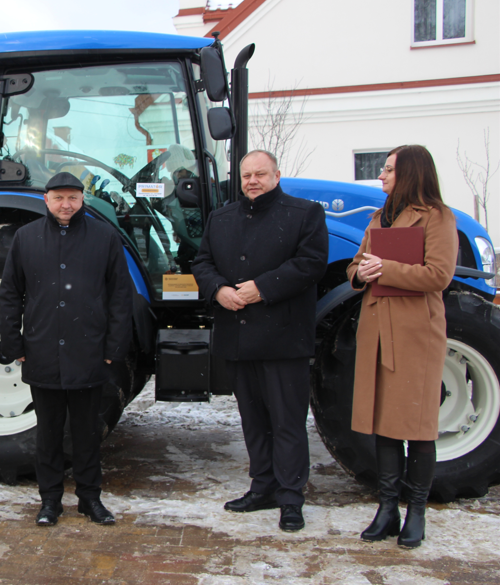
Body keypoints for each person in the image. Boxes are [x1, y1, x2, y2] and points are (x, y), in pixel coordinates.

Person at [191, 150, 328, 532]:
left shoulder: (305, 214)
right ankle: (263, 486)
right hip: (237, 337)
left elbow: (311, 263)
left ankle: (290, 497)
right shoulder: (221, 218)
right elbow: (202, 263)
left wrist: (261, 289)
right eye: (247, 175)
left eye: (260, 174)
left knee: (287, 421)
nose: (252, 181)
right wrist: (217, 289)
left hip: (284, 339)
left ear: (277, 175)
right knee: (253, 421)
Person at [0, 171, 133, 526]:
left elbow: (120, 295)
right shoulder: (26, 238)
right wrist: (14, 342)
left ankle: (90, 499)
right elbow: (10, 293)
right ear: (46, 200)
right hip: (42, 351)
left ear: (82, 199)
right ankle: (50, 502)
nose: (66, 204)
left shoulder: (104, 238)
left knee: (87, 433)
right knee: (49, 434)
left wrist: (113, 346)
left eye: (72, 197)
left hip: (88, 352)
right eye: (58, 198)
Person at [347, 145, 457, 549]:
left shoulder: (438, 217)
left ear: (410, 172)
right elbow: (355, 266)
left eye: (389, 170)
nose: (381, 176)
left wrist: (385, 268)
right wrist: (361, 272)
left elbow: (439, 275)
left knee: (417, 426)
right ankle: (388, 508)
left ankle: (417, 512)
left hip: (415, 336)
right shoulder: (379, 217)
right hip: (377, 331)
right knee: (384, 424)